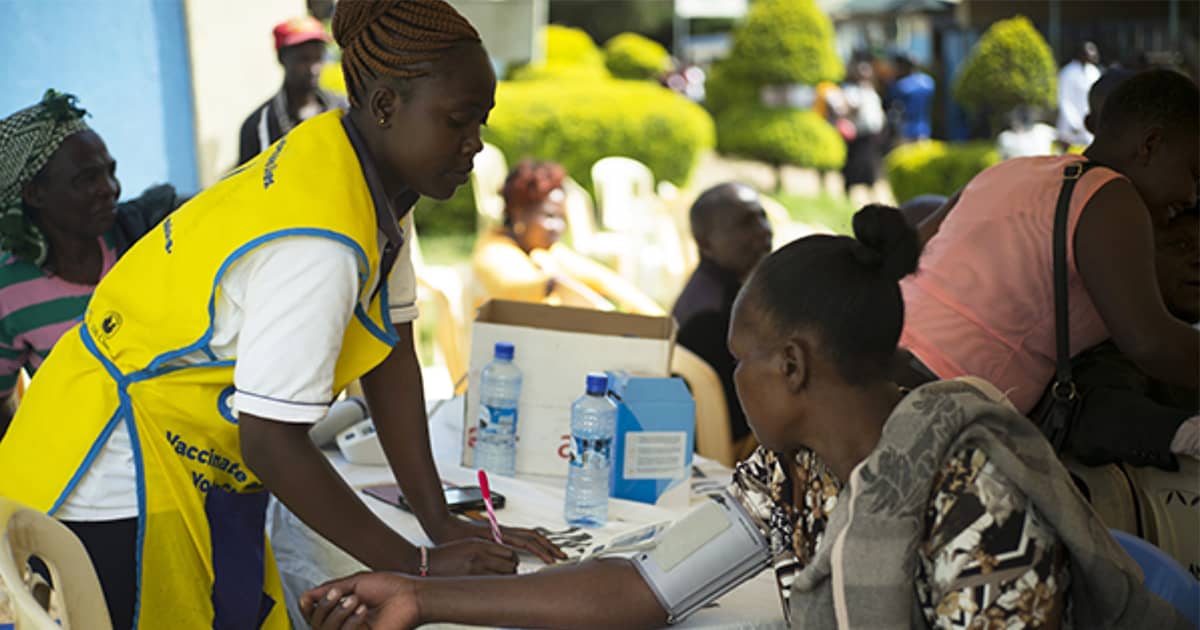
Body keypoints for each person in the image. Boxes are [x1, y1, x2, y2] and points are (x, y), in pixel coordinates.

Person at [299, 206, 1189, 630]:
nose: (735, 383)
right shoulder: (795, 466)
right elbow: (642, 589)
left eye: (741, 362)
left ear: (794, 367)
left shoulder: (979, 508)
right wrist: (422, 597)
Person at [0, 3, 563, 629]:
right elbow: (270, 441)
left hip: (175, 450)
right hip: (109, 475)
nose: (476, 144)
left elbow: (392, 352)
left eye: (480, 121)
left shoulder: (362, 169)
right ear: (384, 106)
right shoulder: (319, 238)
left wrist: (438, 521)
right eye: (458, 121)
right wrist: (419, 570)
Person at [900, 70, 1198, 439]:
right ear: (1150, 146)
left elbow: (908, 248)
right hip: (938, 404)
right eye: (1195, 173)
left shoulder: (1014, 169)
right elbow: (1152, 342)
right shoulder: (1112, 195)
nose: (1192, 197)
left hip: (879, 361)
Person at [0, 90, 182, 437]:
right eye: (87, 179)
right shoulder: (9, 288)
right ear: (35, 194)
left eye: (109, 172)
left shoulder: (146, 239)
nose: (110, 189)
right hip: (91, 478)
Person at [472, 159, 664, 315]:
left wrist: (657, 318)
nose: (558, 227)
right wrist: (552, 281)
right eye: (549, 216)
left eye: (562, 218)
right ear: (518, 212)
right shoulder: (494, 251)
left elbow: (604, 280)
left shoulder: (543, 251)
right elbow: (516, 288)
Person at [671, 183, 771, 458]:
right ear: (706, 244)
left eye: (763, 216)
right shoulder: (717, 314)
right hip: (729, 451)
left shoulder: (713, 291)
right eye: (746, 224)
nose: (764, 230)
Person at [237, 15, 348, 165]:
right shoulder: (260, 125)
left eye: (318, 57)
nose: (314, 68)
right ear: (282, 59)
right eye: (304, 59)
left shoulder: (343, 110)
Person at [837, 60, 886, 196]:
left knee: (870, 165)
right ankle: (848, 190)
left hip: (871, 134)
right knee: (853, 164)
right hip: (857, 134)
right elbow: (847, 108)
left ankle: (871, 190)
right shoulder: (852, 90)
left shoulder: (871, 91)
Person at [1057, 41, 1102, 147]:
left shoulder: (1094, 72)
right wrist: (1074, 123)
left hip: (1089, 126)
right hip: (1071, 128)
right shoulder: (1068, 72)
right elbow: (1064, 100)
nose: (1093, 53)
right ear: (1081, 53)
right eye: (1089, 50)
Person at [886, 53, 935, 143]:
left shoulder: (901, 85)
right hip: (924, 127)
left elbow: (894, 108)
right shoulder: (928, 82)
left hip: (906, 128)